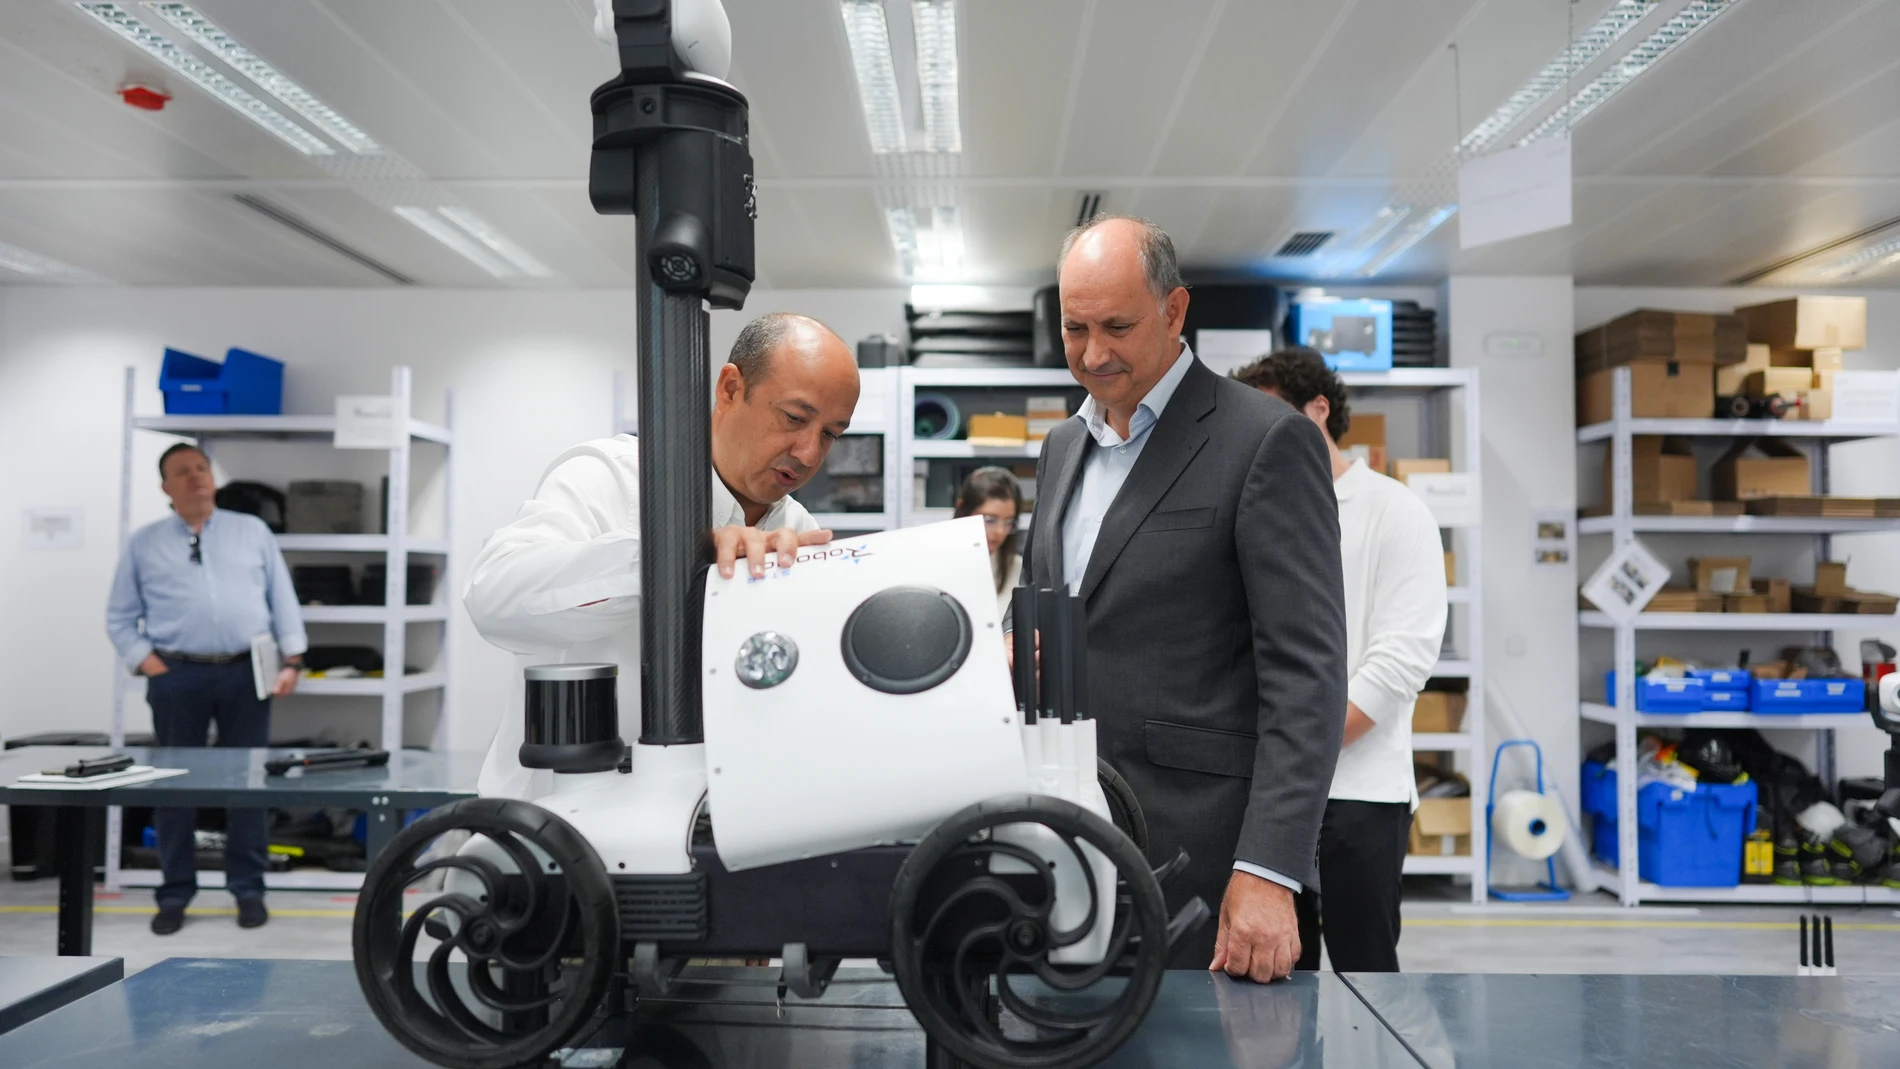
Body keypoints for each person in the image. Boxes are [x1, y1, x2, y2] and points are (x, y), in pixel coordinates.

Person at [1020, 214, 1347, 981]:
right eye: (1074, 328)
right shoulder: (1063, 447)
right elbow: (1059, 597)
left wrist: (1268, 867)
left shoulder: (1263, 440)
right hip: (1066, 841)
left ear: (1174, 311)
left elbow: (1308, 675)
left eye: (1117, 326)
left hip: (1208, 858)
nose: (1093, 353)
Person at [465, 312, 860, 798]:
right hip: (559, 822)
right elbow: (492, 597)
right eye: (795, 418)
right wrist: (672, 559)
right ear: (731, 387)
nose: (808, 454)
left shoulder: (799, 533)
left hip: (709, 824)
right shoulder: (613, 477)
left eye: (831, 434)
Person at [1235, 347, 1448, 973]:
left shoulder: (1395, 510)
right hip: (1267, 795)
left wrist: (1302, 746)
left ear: (1318, 409)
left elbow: (1401, 659)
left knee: (1367, 975)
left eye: (1272, 415)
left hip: (1360, 795)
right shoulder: (1256, 514)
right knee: (1271, 978)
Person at [106, 442, 306, 936]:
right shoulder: (144, 543)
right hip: (178, 676)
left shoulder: (251, 531)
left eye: (201, 468)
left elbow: (282, 598)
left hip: (246, 673)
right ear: (165, 487)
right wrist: (149, 664)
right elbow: (119, 617)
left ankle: (248, 888)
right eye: (183, 471)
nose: (196, 477)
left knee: (249, 784)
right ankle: (175, 892)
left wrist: (293, 658)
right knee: (174, 785)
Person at [953, 466, 1025, 617]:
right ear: (962, 510)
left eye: (1008, 522)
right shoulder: (937, 563)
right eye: (990, 520)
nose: (1000, 532)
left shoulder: (1020, 571)